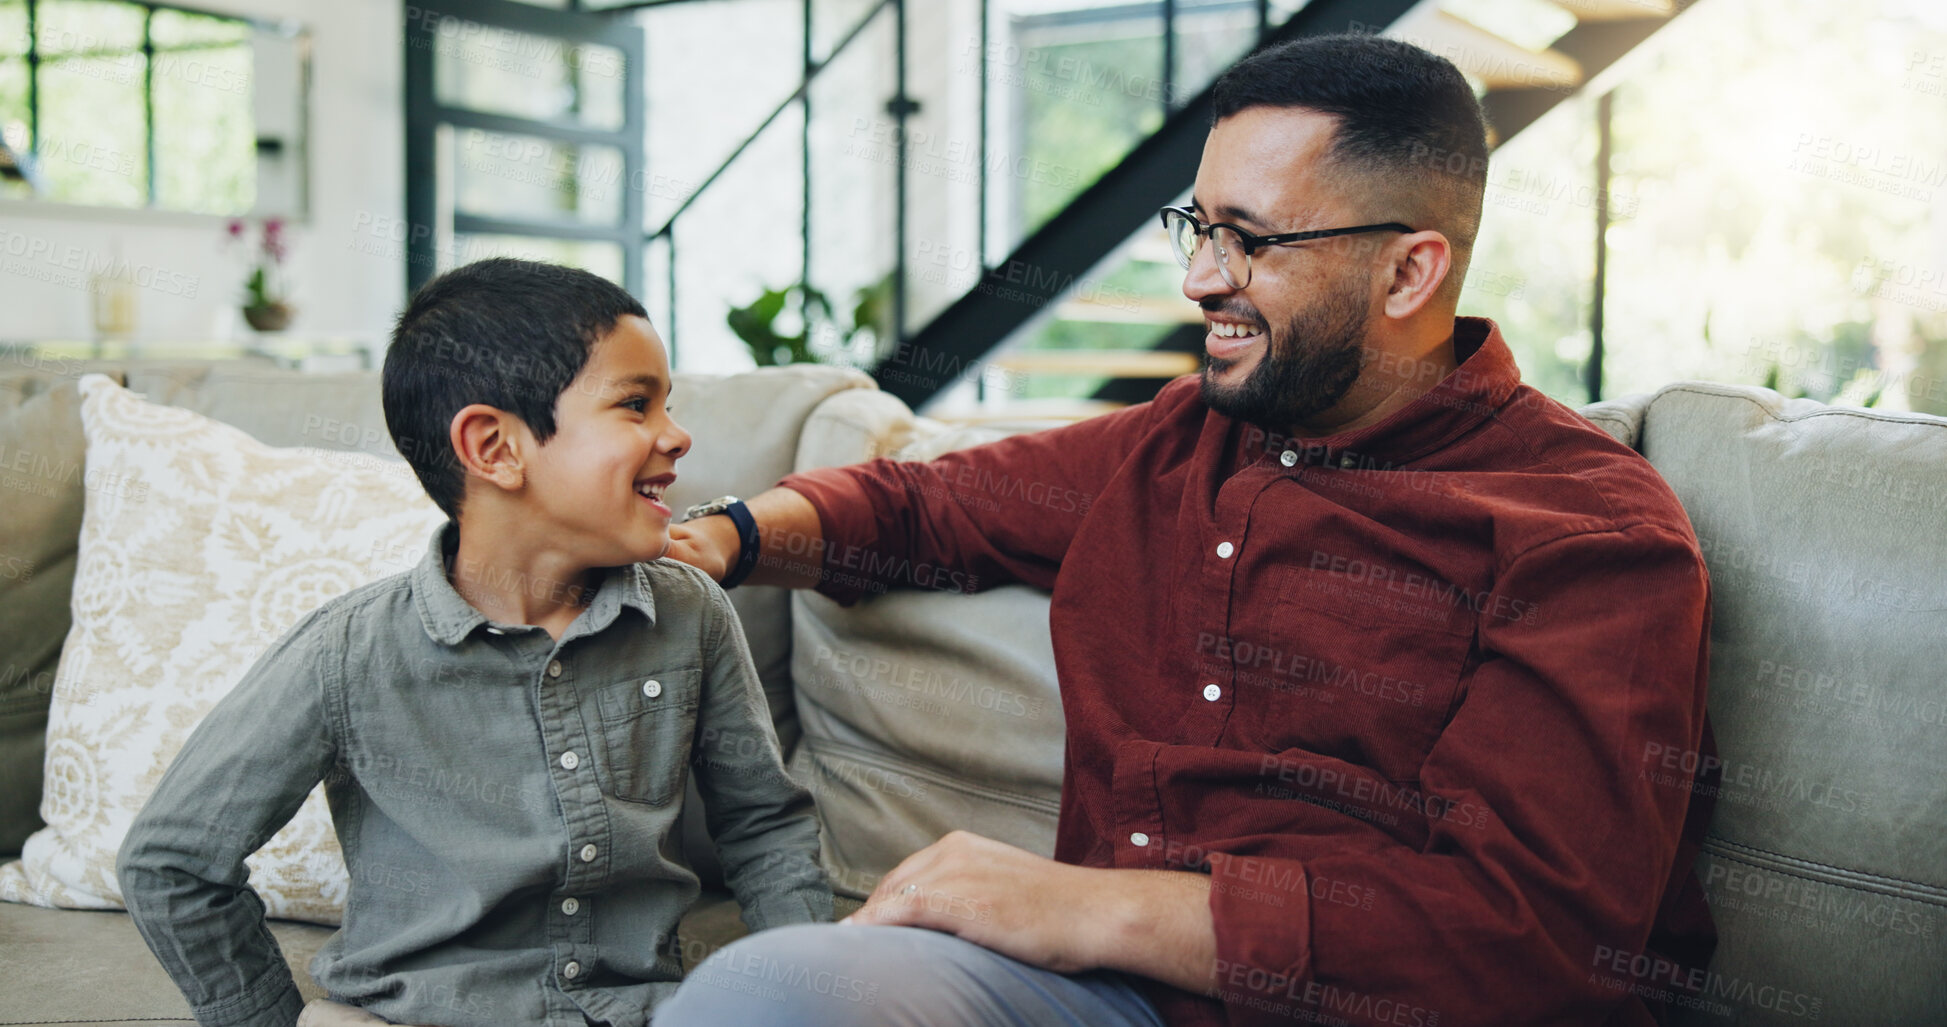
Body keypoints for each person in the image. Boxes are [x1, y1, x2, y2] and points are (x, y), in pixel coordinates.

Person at [656, 33, 1716, 1027]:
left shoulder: (1588, 532)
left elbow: (1537, 938)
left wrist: (1084, 907)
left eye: (1250, 240)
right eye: (1200, 227)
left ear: (1409, 272)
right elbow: (923, 505)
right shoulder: (1179, 440)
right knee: (770, 987)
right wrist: (720, 536)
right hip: (1114, 1002)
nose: (1201, 277)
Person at [117, 259, 831, 1027]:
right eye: (635, 404)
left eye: (668, 404)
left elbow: (765, 827)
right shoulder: (349, 653)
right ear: (494, 447)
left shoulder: (690, 614)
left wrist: (811, 999)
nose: (677, 435)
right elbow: (172, 862)